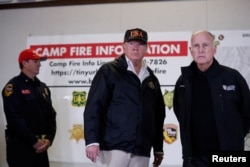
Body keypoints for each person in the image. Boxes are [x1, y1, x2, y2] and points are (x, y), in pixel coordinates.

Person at [84, 28, 165, 167]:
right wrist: (92, 141)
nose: (135, 48)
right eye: (131, 43)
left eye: (140, 44)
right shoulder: (109, 71)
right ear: (124, 46)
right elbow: (94, 107)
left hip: (141, 150)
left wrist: (158, 148)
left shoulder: (151, 78)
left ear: (146, 48)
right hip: (113, 148)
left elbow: (158, 116)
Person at [173, 30, 250, 167]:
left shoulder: (232, 77)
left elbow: (247, 113)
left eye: (205, 45)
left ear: (214, 49)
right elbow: (180, 113)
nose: (201, 50)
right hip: (194, 159)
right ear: (191, 50)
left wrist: (233, 137)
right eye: (196, 46)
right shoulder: (183, 82)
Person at [2, 48, 57, 167]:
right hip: (21, 148)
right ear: (24, 63)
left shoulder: (43, 88)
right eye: (36, 61)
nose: (40, 64)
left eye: (39, 61)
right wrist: (33, 141)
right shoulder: (13, 87)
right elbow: (14, 119)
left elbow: (51, 115)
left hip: (41, 147)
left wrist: (49, 139)